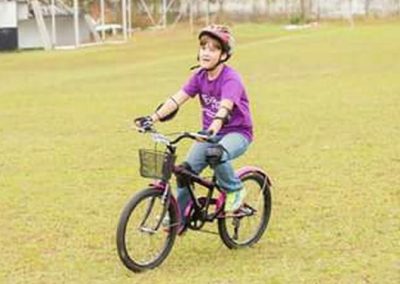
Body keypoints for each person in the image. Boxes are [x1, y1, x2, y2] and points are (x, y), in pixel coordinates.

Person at [135, 25, 254, 227]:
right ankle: (178, 219)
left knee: (215, 154)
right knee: (184, 173)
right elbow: (177, 99)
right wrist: (152, 118)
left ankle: (234, 189)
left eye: (213, 49)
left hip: (237, 132)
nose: (206, 52)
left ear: (224, 55)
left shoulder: (231, 78)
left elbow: (226, 106)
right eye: (203, 47)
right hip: (208, 135)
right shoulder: (199, 76)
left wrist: (215, 125)